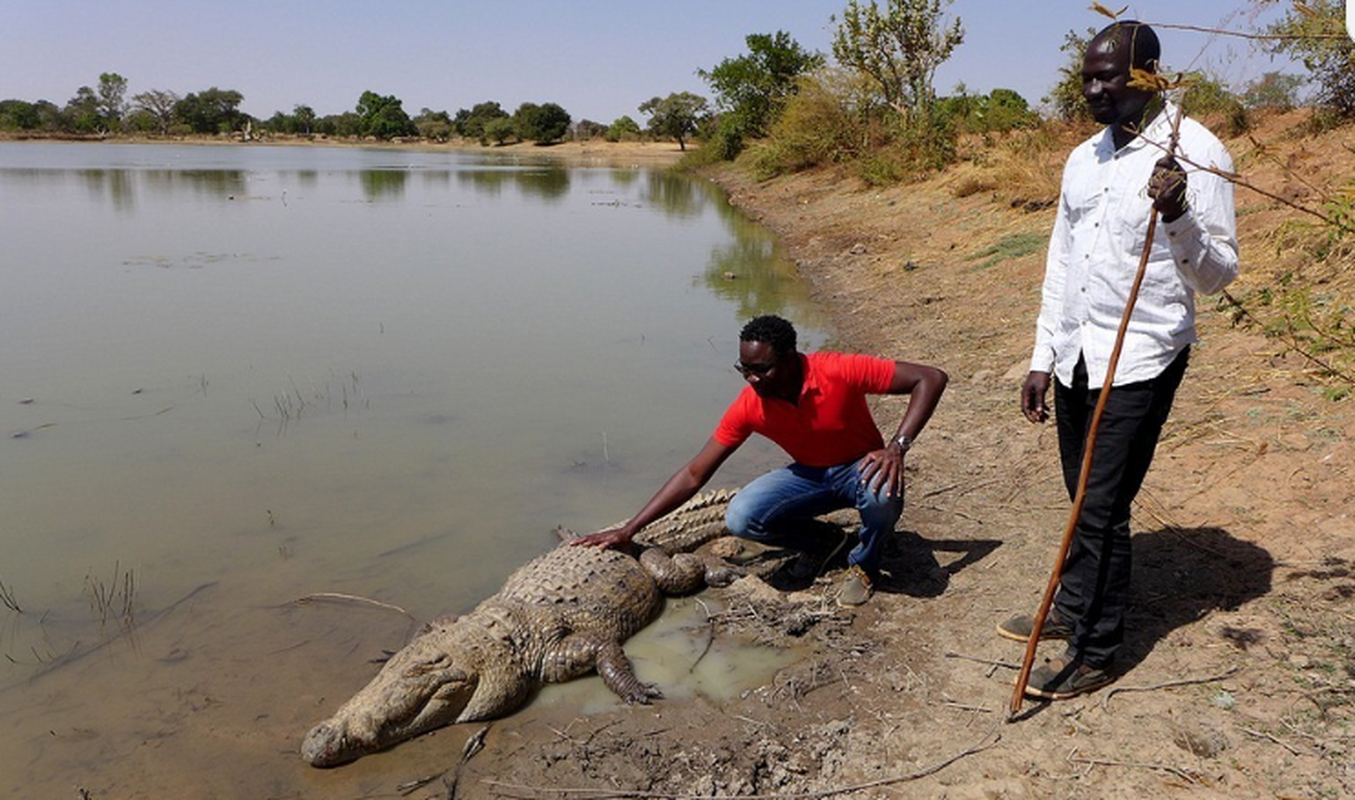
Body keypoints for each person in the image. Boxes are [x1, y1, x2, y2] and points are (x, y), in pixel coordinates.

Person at [999, 21, 1238, 699]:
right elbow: (1062, 263)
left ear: (1149, 75)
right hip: (1078, 353)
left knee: (1101, 508)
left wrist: (1178, 214)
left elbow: (1217, 276)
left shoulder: (1195, 153)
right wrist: (1042, 355)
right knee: (1082, 498)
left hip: (1141, 355)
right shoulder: (1083, 159)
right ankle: (1072, 608)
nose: (1093, 91)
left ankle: (1094, 649)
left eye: (1108, 77)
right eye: (1086, 78)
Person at [572, 314, 947, 607]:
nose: (751, 379)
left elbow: (930, 378)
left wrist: (897, 446)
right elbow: (694, 473)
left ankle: (865, 565)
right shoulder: (750, 405)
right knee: (741, 516)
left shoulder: (837, 369)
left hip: (862, 468)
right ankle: (826, 541)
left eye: (761, 369)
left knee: (881, 499)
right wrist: (630, 529)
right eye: (743, 369)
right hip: (811, 476)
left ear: (789, 360)